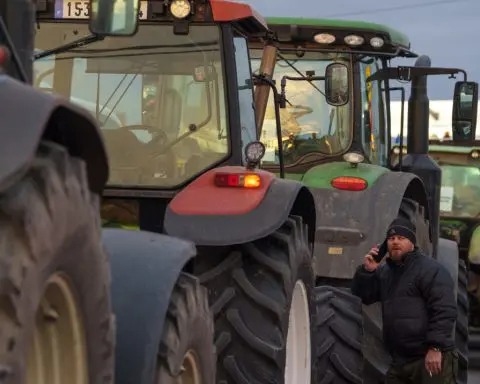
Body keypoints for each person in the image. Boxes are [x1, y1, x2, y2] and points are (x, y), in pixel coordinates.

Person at [352, 217, 458, 383]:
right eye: (391, 238)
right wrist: (368, 271)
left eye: (401, 238)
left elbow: (444, 310)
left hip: (429, 359)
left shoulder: (431, 270)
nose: (395, 242)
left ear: (412, 243)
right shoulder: (386, 272)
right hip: (400, 361)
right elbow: (365, 296)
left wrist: (435, 348)